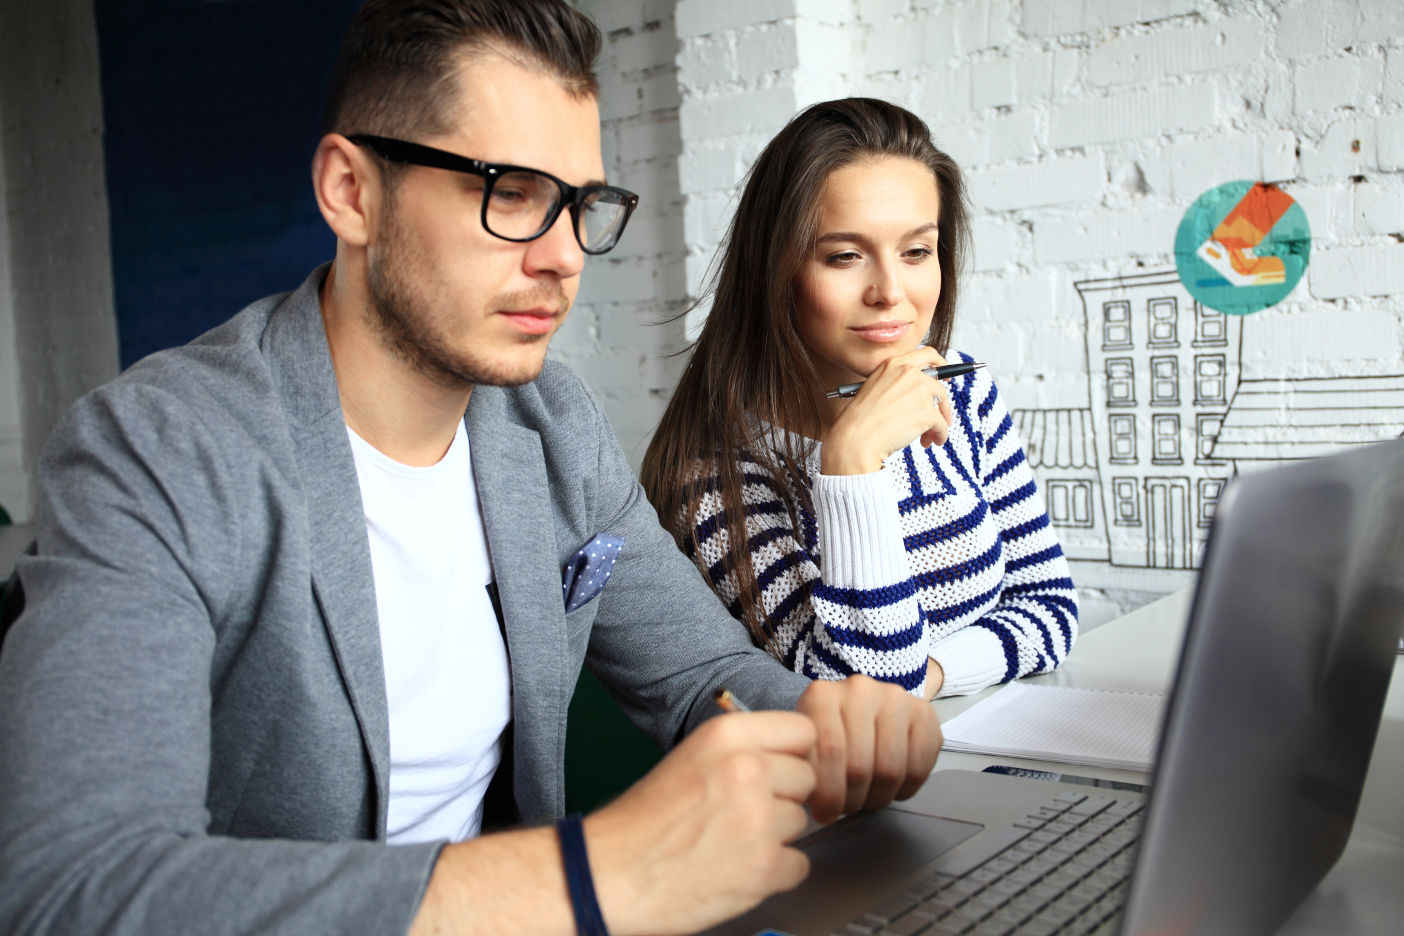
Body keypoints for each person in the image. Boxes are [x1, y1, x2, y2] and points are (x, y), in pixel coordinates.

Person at [0, 6, 942, 935]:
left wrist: (843, 725)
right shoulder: (156, 449)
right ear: (352, 192)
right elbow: (72, 885)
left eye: (581, 205)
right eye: (514, 192)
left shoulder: (552, 422)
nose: (564, 256)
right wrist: (587, 874)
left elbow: (703, 673)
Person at [641, 98, 1077, 703]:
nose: (891, 292)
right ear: (777, 270)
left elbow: (1050, 608)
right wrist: (851, 466)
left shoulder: (963, 391)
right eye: (844, 256)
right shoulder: (716, 478)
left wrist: (935, 674)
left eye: (917, 251)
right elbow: (861, 694)